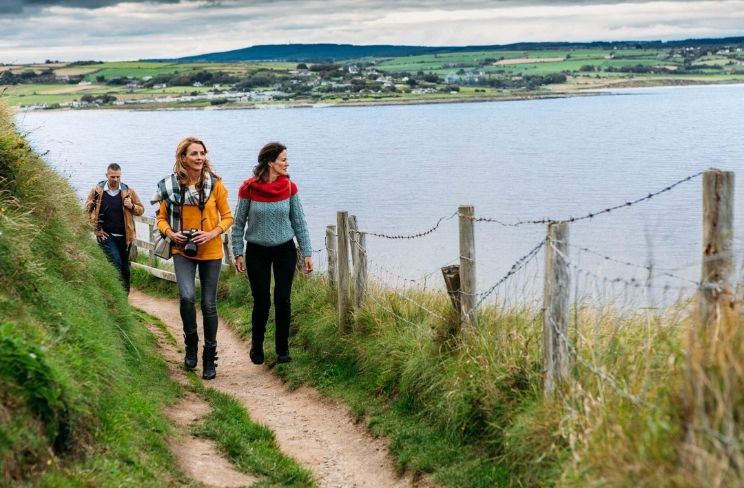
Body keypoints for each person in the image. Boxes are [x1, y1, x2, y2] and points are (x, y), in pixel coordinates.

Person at [152, 136, 233, 380]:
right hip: (181, 249)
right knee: (187, 297)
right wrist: (170, 233)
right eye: (194, 154)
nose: (200, 158)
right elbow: (161, 218)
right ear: (183, 158)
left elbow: (228, 217)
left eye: (202, 153)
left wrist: (211, 233)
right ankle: (190, 344)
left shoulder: (215, 184)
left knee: (209, 304)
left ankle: (210, 356)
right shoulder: (169, 186)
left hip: (210, 250)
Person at [232, 142, 313, 366]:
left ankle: (282, 349)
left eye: (287, 159)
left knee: (283, 299)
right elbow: (238, 223)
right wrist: (237, 251)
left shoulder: (289, 187)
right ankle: (256, 345)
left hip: (285, 250)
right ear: (270, 162)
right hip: (257, 251)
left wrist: (307, 252)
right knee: (262, 301)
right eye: (283, 160)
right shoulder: (248, 188)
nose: (287, 163)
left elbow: (299, 222)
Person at [85, 163, 144, 294]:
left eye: (118, 177)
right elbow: (86, 211)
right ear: (107, 176)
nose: (116, 180)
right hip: (107, 236)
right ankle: (114, 294)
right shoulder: (97, 191)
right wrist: (96, 230)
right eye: (112, 177)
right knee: (116, 262)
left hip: (125, 238)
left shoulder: (128, 191)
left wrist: (131, 206)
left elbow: (141, 210)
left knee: (125, 270)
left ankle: (123, 300)